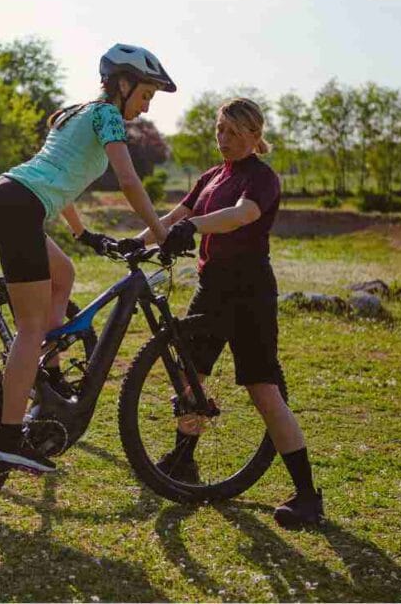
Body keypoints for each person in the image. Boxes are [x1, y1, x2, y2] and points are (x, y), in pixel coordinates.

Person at [0, 43, 177, 473]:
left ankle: (52, 372)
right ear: (122, 84)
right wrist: (162, 234)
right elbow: (128, 181)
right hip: (18, 204)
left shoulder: (76, 112)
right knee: (30, 326)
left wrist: (83, 233)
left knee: (63, 273)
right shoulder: (107, 116)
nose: (145, 105)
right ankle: (9, 438)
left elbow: (57, 172)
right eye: (144, 95)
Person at [145, 97, 324, 528]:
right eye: (220, 131)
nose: (223, 140)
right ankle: (184, 462)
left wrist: (194, 227)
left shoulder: (262, 178)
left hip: (249, 292)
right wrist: (138, 241)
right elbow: (176, 215)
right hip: (211, 288)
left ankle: (307, 496)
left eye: (234, 134)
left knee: (263, 390)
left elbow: (242, 215)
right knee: (191, 378)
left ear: (253, 137)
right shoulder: (211, 176)